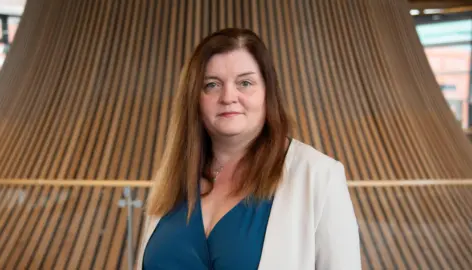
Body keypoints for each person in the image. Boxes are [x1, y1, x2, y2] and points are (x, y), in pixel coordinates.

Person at [136, 28, 361, 270]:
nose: (228, 96)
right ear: (194, 98)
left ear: (267, 92)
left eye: (245, 83)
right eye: (212, 85)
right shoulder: (173, 179)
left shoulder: (319, 176)